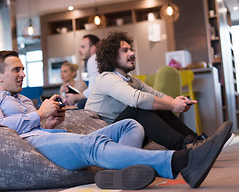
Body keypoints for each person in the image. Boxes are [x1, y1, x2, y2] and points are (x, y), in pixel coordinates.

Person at [0, 50, 232, 190]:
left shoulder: (24, 100)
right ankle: (183, 161)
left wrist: (48, 121)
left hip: (51, 137)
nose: (22, 74)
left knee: (131, 125)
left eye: (23, 68)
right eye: (16, 69)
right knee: (93, 147)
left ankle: (118, 173)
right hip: (33, 146)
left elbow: (35, 123)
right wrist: (39, 115)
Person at [85, 31, 214, 151]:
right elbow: (137, 99)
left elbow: (158, 95)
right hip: (100, 137)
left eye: (130, 49)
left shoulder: (132, 80)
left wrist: (177, 103)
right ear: (111, 57)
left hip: (122, 131)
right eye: (125, 51)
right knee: (138, 108)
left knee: (156, 106)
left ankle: (199, 143)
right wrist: (173, 105)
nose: (132, 54)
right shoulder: (106, 78)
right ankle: (184, 147)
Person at [65, 34, 99, 108]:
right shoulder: (98, 60)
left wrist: (75, 97)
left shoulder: (93, 59)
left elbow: (92, 91)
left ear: (93, 48)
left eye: (83, 47)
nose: (79, 50)